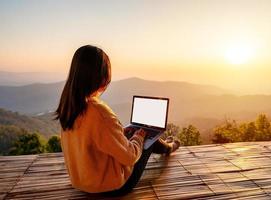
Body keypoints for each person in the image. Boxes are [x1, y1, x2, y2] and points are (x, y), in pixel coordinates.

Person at [55, 45, 180, 196]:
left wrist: (121, 133)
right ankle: (168, 148)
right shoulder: (100, 113)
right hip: (111, 187)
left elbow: (94, 141)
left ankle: (166, 146)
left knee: (135, 134)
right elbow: (130, 157)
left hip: (81, 182)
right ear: (103, 78)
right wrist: (139, 137)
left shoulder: (69, 107)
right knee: (145, 136)